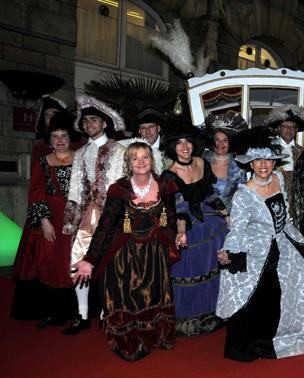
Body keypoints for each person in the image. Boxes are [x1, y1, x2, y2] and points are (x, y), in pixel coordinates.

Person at [216, 127, 304, 361]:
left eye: (269, 160)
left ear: (274, 163)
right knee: (260, 294)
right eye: (258, 160)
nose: (264, 164)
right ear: (250, 164)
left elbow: (283, 210)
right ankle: (258, 343)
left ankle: (291, 331)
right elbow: (238, 229)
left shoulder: (279, 178)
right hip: (258, 250)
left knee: (299, 276)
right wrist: (231, 253)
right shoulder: (244, 194)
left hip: (284, 240)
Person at [72, 139, 181, 361]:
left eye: (145, 157)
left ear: (152, 160)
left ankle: (154, 336)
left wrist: (173, 241)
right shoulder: (118, 188)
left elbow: (169, 218)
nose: (141, 162)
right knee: (125, 296)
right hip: (124, 251)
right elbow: (106, 225)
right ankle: (129, 340)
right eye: (135, 158)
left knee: (153, 295)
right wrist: (90, 259)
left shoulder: (165, 185)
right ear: (128, 163)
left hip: (154, 251)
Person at [62, 96, 126, 335]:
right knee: (77, 261)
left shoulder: (119, 151)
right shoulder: (79, 153)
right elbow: (75, 186)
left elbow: (122, 185)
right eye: (86, 120)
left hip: (111, 214)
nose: (89, 124)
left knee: (110, 264)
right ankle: (81, 314)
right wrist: (70, 218)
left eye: (94, 120)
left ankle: (106, 314)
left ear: (104, 124)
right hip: (86, 216)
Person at [161, 118, 229, 338]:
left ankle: (216, 312)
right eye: (179, 143)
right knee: (189, 272)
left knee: (216, 268)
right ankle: (189, 319)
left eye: (188, 141)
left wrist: (226, 215)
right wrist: (181, 231)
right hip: (187, 223)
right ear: (172, 147)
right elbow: (179, 207)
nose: (184, 147)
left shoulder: (201, 162)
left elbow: (210, 193)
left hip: (210, 220)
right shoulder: (169, 174)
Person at [11, 113, 79, 328]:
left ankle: (75, 312)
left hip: (74, 214)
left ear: (70, 138)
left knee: (73, 262)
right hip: (50, 216)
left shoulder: (81, 159)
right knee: (47, 262)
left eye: (64, 136)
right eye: (55, 137)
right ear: (49, 141)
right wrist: (45, 221)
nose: (60, 140)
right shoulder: (42, 162)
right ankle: (50, 311)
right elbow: (36, 192)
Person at [265, 104, 304, 214]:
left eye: (292, 127)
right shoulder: (269, 150)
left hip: (296, 201)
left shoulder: (303, 152)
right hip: (272, 196)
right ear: (279, 128)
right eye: (285, 126)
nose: (289, 130)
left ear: (296, 129)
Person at [203, 112, 248, 212]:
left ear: (230, 143)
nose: (220, 143)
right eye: (217, 139)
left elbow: (242, 199)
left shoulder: (239, 168)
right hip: (204, 220)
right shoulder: (201, 163)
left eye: (225, 140)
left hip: (228, 221)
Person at [30, 95, 87, 172]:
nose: (50, 118)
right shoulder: (39, 147)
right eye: (47, 115)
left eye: (54, 114)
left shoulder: (81, 143)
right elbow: (35, 177)